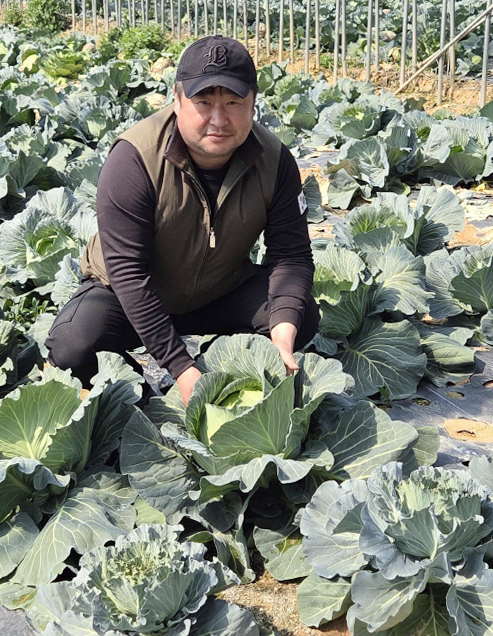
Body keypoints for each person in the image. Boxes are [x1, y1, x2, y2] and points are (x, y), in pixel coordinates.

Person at [45, 35, 319, 404]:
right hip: (130, 295)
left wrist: (281, 339)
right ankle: (138, 389)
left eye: (234, 103)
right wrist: (180, 368)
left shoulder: (275, 160)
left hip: (219, 289)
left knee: (299, 316)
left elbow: (292, 256)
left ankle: (224, 368)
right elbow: (128, 273)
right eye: (203, 102)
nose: (218, 120)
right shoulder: (134, 159)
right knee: (72, 347)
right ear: (177, 100)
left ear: (253, 103)